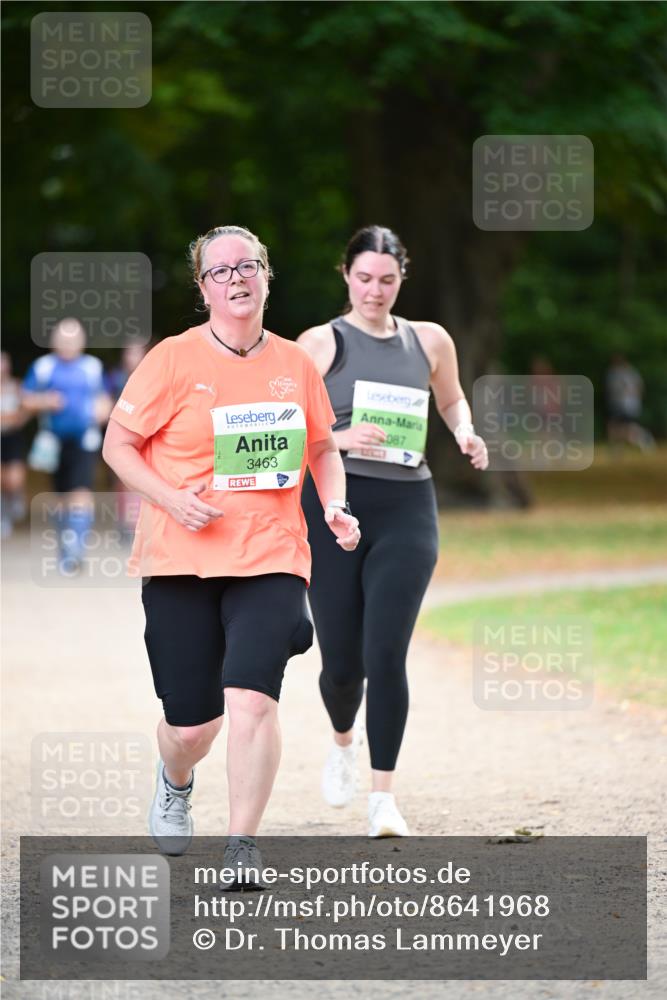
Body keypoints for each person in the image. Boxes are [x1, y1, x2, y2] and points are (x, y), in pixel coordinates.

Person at [102, 225, 360, 883]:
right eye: (220, 271)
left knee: (252, 698)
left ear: (266, 276)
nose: (236, 278)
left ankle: (241, 845)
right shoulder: (172, 358)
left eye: (247, 265)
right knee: (192, 726)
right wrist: (170, 498)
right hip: (179, 560)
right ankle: (174, 775)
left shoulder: (295, 364)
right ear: (203, 287)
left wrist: (333, 504)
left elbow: (322, 447)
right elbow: (118, 447)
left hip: (270, 556)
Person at [298, 224, 488, 837]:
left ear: (402, 277)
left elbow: (452, 398)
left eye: (386, 279)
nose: (375, 291)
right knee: (342, 666)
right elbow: (284, 425)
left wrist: (463, 431)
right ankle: (342, 740)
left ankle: (384, 798)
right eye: (363, 279)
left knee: (386, 653)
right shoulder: (320, 343)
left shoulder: (429, 340)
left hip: (409, 503)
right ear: (346, 277)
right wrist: (340, 437)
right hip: (334, 505)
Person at [22, 320, 112, 572]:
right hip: (52, 441)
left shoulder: (92, 367)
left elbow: (105, 399)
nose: (68, 344)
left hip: (84, 440)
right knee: (60, 498)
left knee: (81, 493)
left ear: (82, 342)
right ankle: (65, 546)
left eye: (73, 339)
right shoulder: (43, 367)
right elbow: (26, 399)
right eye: (64, 339)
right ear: (54, 341)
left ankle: (76, 551)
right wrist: (45, 401)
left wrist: (102, 411)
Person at [104, 344, 148, 540]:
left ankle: (139, 524)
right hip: (120, 436)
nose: (132, 357)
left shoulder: (152, 376)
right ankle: (125, 523)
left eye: (136, 352)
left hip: (146, 436)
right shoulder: (115, 378)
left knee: (142, 480)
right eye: (129, 352)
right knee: (122, 482)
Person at [1, 352, 29, 539]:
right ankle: (4, 516)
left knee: (14, 479)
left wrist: (18, 419)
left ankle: (16, 496)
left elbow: (26, 409)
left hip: (13, 438)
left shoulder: (16, 386)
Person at [605, 354, 655, 453]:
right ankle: (617, 449)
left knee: (624, 428)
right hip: (623, 404)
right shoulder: (628, 372)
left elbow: (636, 388)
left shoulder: (622, 373)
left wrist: (631, 398)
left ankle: (644, 439)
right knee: (617, 427)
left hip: (626, 405)